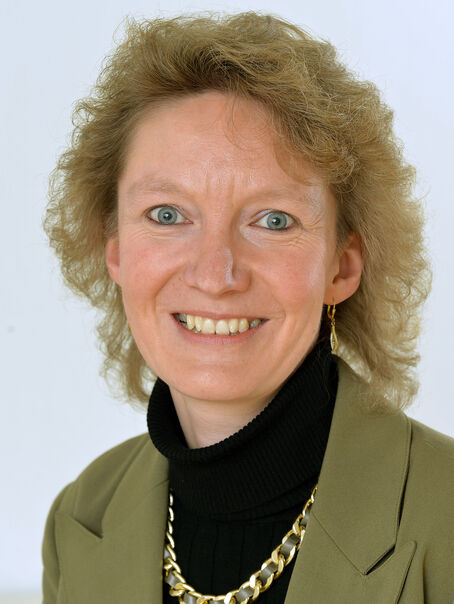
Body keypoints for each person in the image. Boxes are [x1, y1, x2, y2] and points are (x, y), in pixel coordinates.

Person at [41, 11, 454, 604]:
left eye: (274, 220)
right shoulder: (80, 521)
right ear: (116, 250)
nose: (215, 275)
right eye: (167, 214)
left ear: (342, 266)